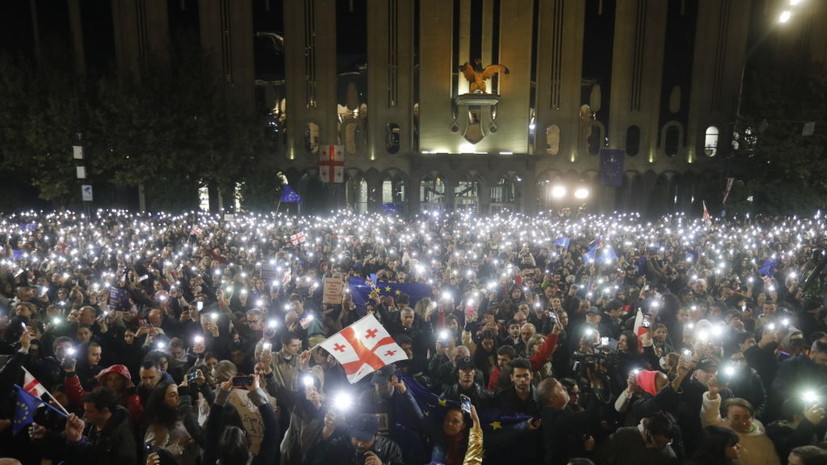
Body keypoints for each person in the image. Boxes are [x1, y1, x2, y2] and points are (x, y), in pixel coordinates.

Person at [700, 383, 781, 465]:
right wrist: (712, 395)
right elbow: (709, 416)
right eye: (736, 417)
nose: (743, 422)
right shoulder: (719, 433)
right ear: (727, 416)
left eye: (746, 417)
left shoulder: (765, 443)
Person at [61, 387, 138, 465]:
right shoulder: (91, 425)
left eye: (89, 411)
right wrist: (76, 440)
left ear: (105, 411)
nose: (85, 415)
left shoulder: (122, 438)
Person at [593, 411, 678, 465]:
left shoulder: (669, 456)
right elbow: (601, 455)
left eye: (667, 443)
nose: (662, 447)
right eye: (658, 442)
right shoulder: (624, 435)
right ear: (648, 432)